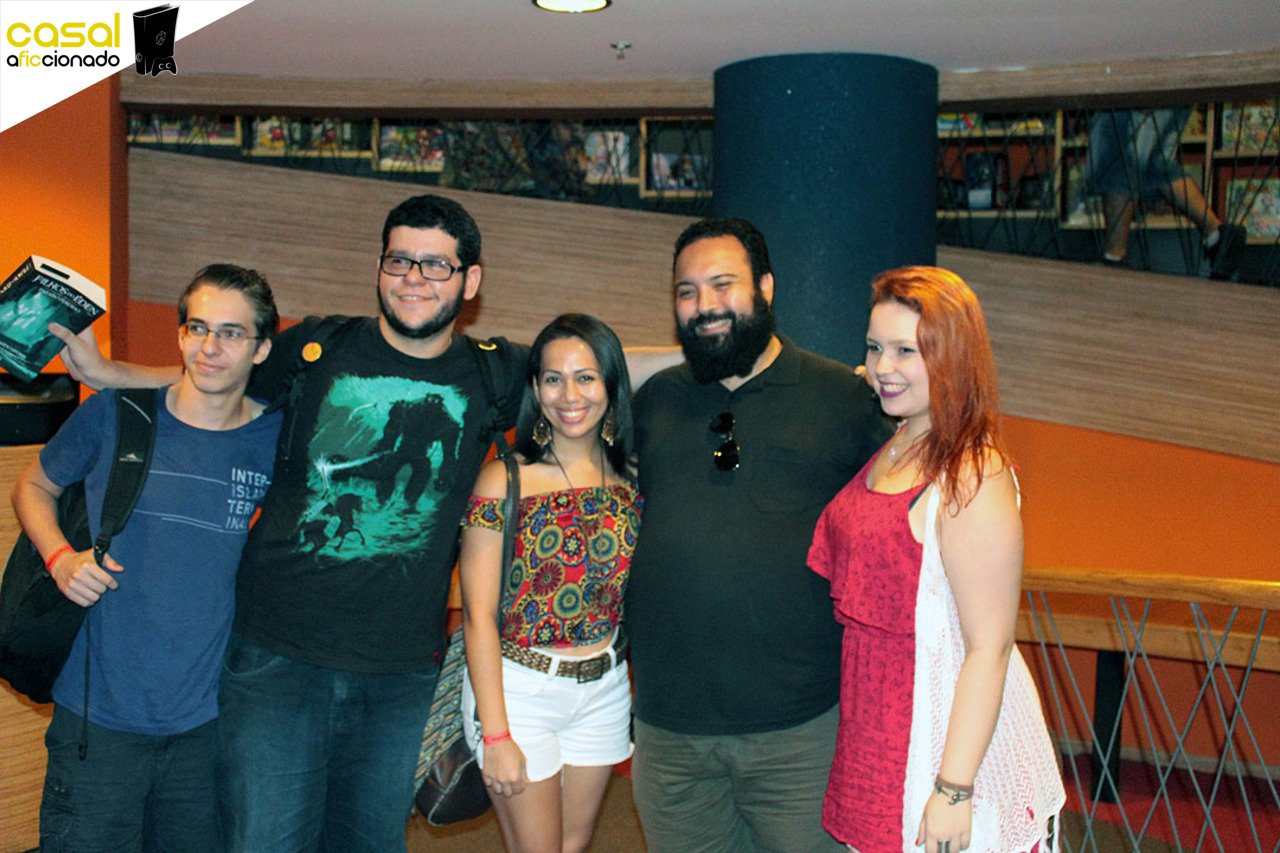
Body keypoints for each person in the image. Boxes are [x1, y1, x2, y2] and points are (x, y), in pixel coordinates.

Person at [50, 193, 677, 850]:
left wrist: (705, 353)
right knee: (266, 841)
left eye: (436, 265)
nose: (414, 278)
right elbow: (212, 379)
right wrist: (108, 372)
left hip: (399, 674)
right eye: (400, 260)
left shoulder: (492, 370)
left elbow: (605, 367)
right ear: (379, 267)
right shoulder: (318, 346)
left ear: (470, 281)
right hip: (276, 661)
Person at [625, 217, 893, 852]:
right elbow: (575, 370)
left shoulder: (843, 398)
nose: (704, 305)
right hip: (669, 734)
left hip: (800, 733)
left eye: (723, 285)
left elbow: (921, 493)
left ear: (766, 288)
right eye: (687, 291)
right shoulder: (653, 402)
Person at [10, 264, 282, 851]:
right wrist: (60, 558)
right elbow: (32, 485)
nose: (209, 347)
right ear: (180, 335)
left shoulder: (274, 440)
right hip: (97, 720)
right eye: (197, 328)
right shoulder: (116, 414)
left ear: (262, 349)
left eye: (231, 333)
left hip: (206, 727)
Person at [808, 266, 1065, 853]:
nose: (882, 367)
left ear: (952, 357)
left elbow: (989, 647)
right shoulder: (901, 439)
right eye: (874, 347)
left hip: (933, 735)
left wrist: (953, 789)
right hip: (871, 732)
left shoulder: (973, 473)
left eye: (907, 350)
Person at [459, 313, 641, 853]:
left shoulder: (632, 479)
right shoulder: (504, 478)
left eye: (586, 377)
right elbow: (477, 616)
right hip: (519, 689)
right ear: (536, 390)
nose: (570, 395)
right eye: (553, 379)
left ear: (610, 386)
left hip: (604, 687)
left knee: (573, 844)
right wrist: (496, 733)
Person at [1086, 107, 1246, 278]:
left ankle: (1114, 257)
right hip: (1176, 96)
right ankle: (1216, 234)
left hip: (1138, 94)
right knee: (1155, 165)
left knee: (1120, 154)